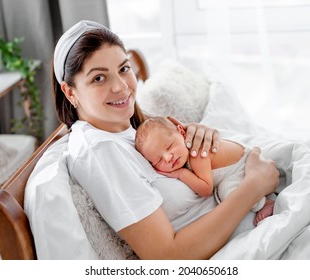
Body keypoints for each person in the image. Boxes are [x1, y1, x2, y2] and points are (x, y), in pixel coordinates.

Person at [52, 20, 279, 259]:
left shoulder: (126, 129)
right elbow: (166, 257)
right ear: (70, 92)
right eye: (98, 78)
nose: (121, 87)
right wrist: (254, 185)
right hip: (252, 234)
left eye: (123, 69)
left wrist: (201, 136)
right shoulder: (99, 151)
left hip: (257, 215)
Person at [135, 116, 275, 226]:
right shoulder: (181, 155)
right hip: (238, 164)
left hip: (242, 165)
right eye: (158, 160)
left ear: (182, 133)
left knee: (227, 192)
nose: (168, 158)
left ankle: (264, 203)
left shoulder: (197, 154)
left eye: (170, 146)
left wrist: (181, 174)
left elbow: (206, 189)